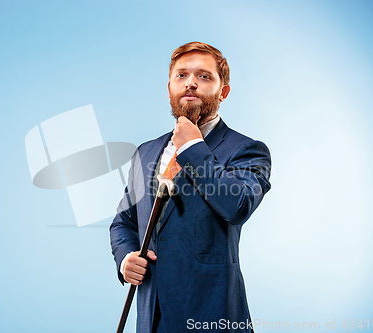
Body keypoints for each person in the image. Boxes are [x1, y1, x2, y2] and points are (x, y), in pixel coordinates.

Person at [110, 41, 271, 333]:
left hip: (211, 317)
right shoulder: (145, 152)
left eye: (204, 76)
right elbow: (124, 222)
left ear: (223, 92)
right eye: (181, 76)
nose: (191, 84)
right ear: (170, 87)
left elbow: (237, 206)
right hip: (150, 317)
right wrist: (126, 258)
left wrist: (194, 147)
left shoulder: (247, 150)